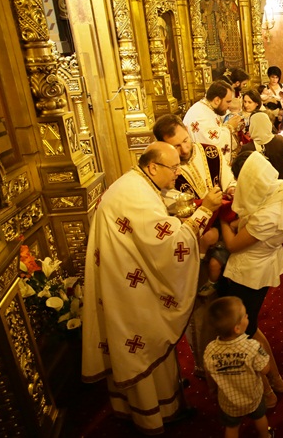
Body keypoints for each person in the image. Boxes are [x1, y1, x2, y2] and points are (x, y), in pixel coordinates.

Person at [82, 142, 223, 434]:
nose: (177, 173)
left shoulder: (136, 184)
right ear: (153, 167)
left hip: (125, 275)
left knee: (143, 341)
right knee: (145, 340)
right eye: (173, 167)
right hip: (131, 286)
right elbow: (171, 246)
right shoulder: (136, 195)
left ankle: (163, 403)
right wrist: (204, 212)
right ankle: (151, 413)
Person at [152, 115, 236, 373]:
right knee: (200, 306)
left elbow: (229, 182)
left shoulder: (210, 152)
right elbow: (169, 209)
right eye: (176, 146)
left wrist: (231, 191)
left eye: (186, 140)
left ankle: (234, 351)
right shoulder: (164, 170)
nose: (184, 149)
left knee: (230, 297)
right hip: (192, 243)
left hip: (224, 232)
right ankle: (205, 362)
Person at [219, 151, 283, 406]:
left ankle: (266, 389)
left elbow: (233, 244)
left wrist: (222, 219)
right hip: (263, 265)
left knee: (244, 334)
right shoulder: (279, 190)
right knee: (252, 327)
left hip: (248, 274)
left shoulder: (268, 216)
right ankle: (276, 378)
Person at [204, 297, 274, 438]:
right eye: (244, 315)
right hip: (253, 397)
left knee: (231, 427)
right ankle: (265, 435)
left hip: (228, 402)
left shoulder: (210, 350)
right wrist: (262, 352)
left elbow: (208, 372)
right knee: (260, 417)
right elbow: (265, 370)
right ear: (237, 328)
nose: (247, 315)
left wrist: (212, 388)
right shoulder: (253, 347)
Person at [184, 80, 239, 160]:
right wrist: (230, 127)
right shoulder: (200, 116)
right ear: (217, 100)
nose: (229, 106)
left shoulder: (206, 109)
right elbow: (212, 145)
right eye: (228, 102)